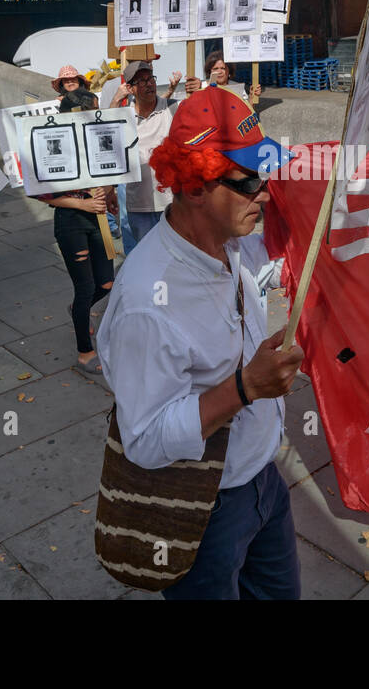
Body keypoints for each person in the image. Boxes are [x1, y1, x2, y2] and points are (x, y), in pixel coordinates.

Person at [96, 86, 303, 599]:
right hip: (205, 509)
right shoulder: (148, 302)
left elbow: (267, 269)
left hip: (264, 480)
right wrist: (245, 388)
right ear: (192, 186)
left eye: (267, 174)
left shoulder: (230, 241)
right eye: (250, 180)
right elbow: (143, 440)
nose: (264, 192)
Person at [33, 87, 116, 368]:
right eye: (93, 109)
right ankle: (85, 352)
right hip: (71, 222)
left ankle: (78, 310)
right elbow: (42, 193)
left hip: (98, 219)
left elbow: (111, 175)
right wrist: (82, 204)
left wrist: (107, 192)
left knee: (106, 283)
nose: (97, 114)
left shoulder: (95, 138)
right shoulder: (51, 142)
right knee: (85, 287)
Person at [110, 60, 196, 243]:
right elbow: (106, 137)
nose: (149, 83)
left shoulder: (173, 108)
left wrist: (199, 91)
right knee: (147, 259)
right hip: (139, 205)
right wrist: (116, 99)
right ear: (130, 88)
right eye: (141, 81)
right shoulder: (125, 115)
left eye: (151, 78)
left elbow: (200, 120)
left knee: (179, 257)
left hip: (173, 203)